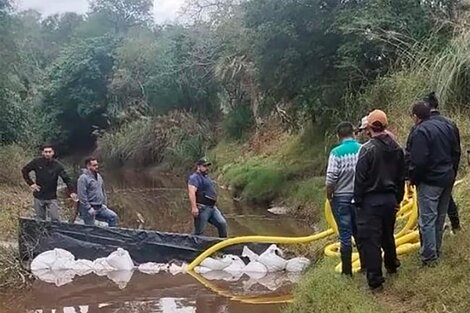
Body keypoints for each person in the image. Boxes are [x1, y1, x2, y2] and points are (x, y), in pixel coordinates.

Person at [354, 110, 405, 291]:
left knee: (371, 240)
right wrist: (398, 199)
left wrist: (358, 202)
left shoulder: (367, 150)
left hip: (370, 201)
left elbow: (359, 180)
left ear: (369, 127)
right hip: (390, 199)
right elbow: (401, 178)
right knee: (387, 235)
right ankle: (392, 265)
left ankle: (375, 280)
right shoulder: (397, 148)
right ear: (385, 125)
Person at [407, 102, 460, 266]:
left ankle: (429, 257)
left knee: (428, 219)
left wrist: (413, 179)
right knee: (440, 216)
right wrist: (452, 172)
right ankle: (436, 250)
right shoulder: (446, 125)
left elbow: (419, 161)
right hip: (447, 177)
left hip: (430, 180)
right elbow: (456, 151)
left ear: (416, 116)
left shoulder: (420, 132)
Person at [326, 122, 362, 276]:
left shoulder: (336, 152)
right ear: (354, 133)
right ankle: (366, 265)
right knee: (360, 232)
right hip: (360, 198)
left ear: (338, 136)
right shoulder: (363, 149)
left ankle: (347, 272)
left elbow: (331, 178)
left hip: (341, 199)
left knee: (345, 235)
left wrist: (329, 194)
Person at [424, 92, 462, 232]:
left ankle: (432, 238)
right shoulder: (450, 124)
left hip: (431, 173)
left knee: (430, 206)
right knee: (447, 197)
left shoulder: (424, 125)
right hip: (448, 169)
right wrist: (454, 170)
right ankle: (455, 224)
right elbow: (456, 150)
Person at [22, 144, 77, 222]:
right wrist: (31, 183)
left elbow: (66, 179)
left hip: (52, 197)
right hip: (39, 195)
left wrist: (72, 191)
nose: (47, 154)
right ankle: (42, 234)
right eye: (46, 152)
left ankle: (55, 234)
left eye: (49, 152)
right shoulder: (37, 162)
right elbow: (24, 170)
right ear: (42, 153)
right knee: (40, 220)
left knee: (55, 219)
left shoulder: (57, 165)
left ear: (53, 152)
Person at [188, 158, 227, 237]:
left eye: (207, 166)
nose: (207, 168)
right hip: (202, 208)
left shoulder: (206, 177)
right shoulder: (194, 178)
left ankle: (223, 245)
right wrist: (194, 208)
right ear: (198, 167)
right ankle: (193, 247)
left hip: (212, 207)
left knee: (222, 223)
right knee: (199, 231)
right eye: (204, 166)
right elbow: (191, 192)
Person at [77, 157, 118, 227]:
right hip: (89, 209)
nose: (97, 167)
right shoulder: (83, 178)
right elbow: (82, 196)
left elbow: (103, 190)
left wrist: (104, 203)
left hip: (100, 207)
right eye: (94, 165)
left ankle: (111, 235)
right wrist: (88, 208)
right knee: (91, 229)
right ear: (88, 166)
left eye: (97, 165)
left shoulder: (99, 176)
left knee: (113, 217)